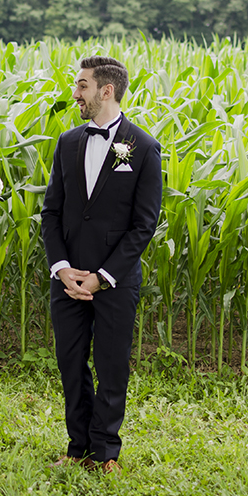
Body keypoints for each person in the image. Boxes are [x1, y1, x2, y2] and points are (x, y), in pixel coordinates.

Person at [41, 55, 162, 473]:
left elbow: (144, 225)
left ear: (105, 91)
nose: (75, 94)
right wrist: (61, 267)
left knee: (111, 366)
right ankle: (77, 449)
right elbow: (51, 213)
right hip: (68, 278)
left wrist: (102, 278)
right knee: (70, 364)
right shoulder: (67, 142)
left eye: (81, 86)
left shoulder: (144, 147)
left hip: (115, 279)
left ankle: (105, 452)